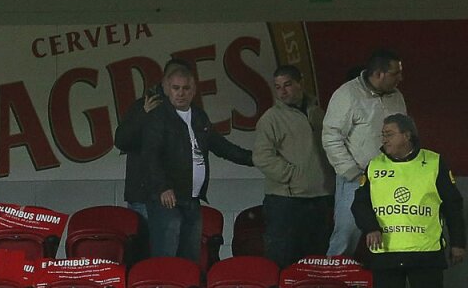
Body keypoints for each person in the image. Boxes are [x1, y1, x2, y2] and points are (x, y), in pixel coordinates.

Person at [351, 114, 464, 288]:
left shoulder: (433, 162)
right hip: (386, 255)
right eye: (383, 134)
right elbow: (360, 204)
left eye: (389, 133)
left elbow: (453, 205)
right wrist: (371, 227)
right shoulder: (374, 166)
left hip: (425, 253)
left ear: (407, 135)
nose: (384, 139)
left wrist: (458, 243)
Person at [141, 63, 254, 260]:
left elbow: (220, 146)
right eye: (176, 88)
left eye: (185, 88)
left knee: (191, 254)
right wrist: (162, 187)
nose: (180, 93)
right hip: (167, 198)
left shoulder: (199, 116)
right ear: (167, 88)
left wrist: (254, 158)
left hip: (192, 197)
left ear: (193, 90)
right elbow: (150, 156)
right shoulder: (158, 117)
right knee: (166, 254)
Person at [322, 48, 406, 257]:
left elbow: (405, 132)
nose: (400, 78)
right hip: (356, 178)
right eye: (396, 73)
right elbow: (331, 137)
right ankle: (333, 285)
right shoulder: (347, 94)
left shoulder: (397, 96)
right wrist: (352, 172)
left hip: (392, 178)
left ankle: (387, 287)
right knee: (346, 235)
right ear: (379, 74)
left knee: (392, 233)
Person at [252, 64, 335, 267]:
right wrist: (291, 175)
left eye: (287, 85)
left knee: (316, 257)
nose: (282, 91)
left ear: (300, 83)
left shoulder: (318, 113)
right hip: (285, 200)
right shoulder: (271, 118)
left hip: (320, 197)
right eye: (278, 87)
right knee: (283, 258)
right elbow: (261, 156)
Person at [114, 57, 193, 261]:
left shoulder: (188, 112)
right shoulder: (143, 105)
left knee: (171, 254)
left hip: (176, 196)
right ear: (165, 81)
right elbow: (121, 140)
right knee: (141, 252)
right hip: (141, 194)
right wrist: (144, 114)